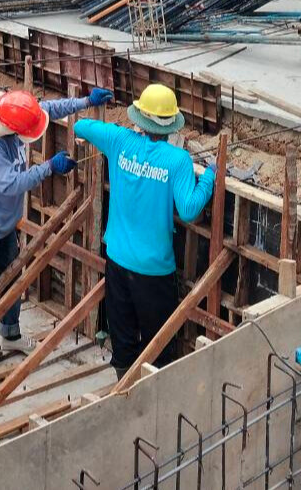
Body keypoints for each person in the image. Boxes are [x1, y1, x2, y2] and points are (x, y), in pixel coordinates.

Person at [0, 86, 114, 373]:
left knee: (12, 280)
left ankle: (10, 335)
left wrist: (85, 101)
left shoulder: (16, 114)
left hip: (6, 224)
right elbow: (11, 184)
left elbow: (50, 110)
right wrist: (49, 167)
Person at [72, 83, 216, 379]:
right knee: (159, 345)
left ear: (139, 118)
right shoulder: (177, 160)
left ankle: (123, 386)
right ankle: (154, 395)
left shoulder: (119, 141)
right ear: (170, 126)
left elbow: (83, 126)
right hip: (153, 271)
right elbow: (189, 209)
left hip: (117, 260)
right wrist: (209, 179)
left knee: (123, 339)